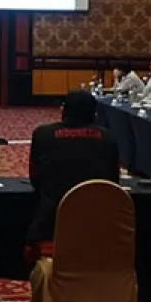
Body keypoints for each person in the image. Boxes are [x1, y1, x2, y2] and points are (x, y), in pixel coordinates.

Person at [25, 91, 120, 260]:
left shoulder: (42, 135)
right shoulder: (109, 138)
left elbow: (35, 179)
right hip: (100, 227)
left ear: (63, 111)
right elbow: (113, 182)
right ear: (95, 114)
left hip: (51, 226)